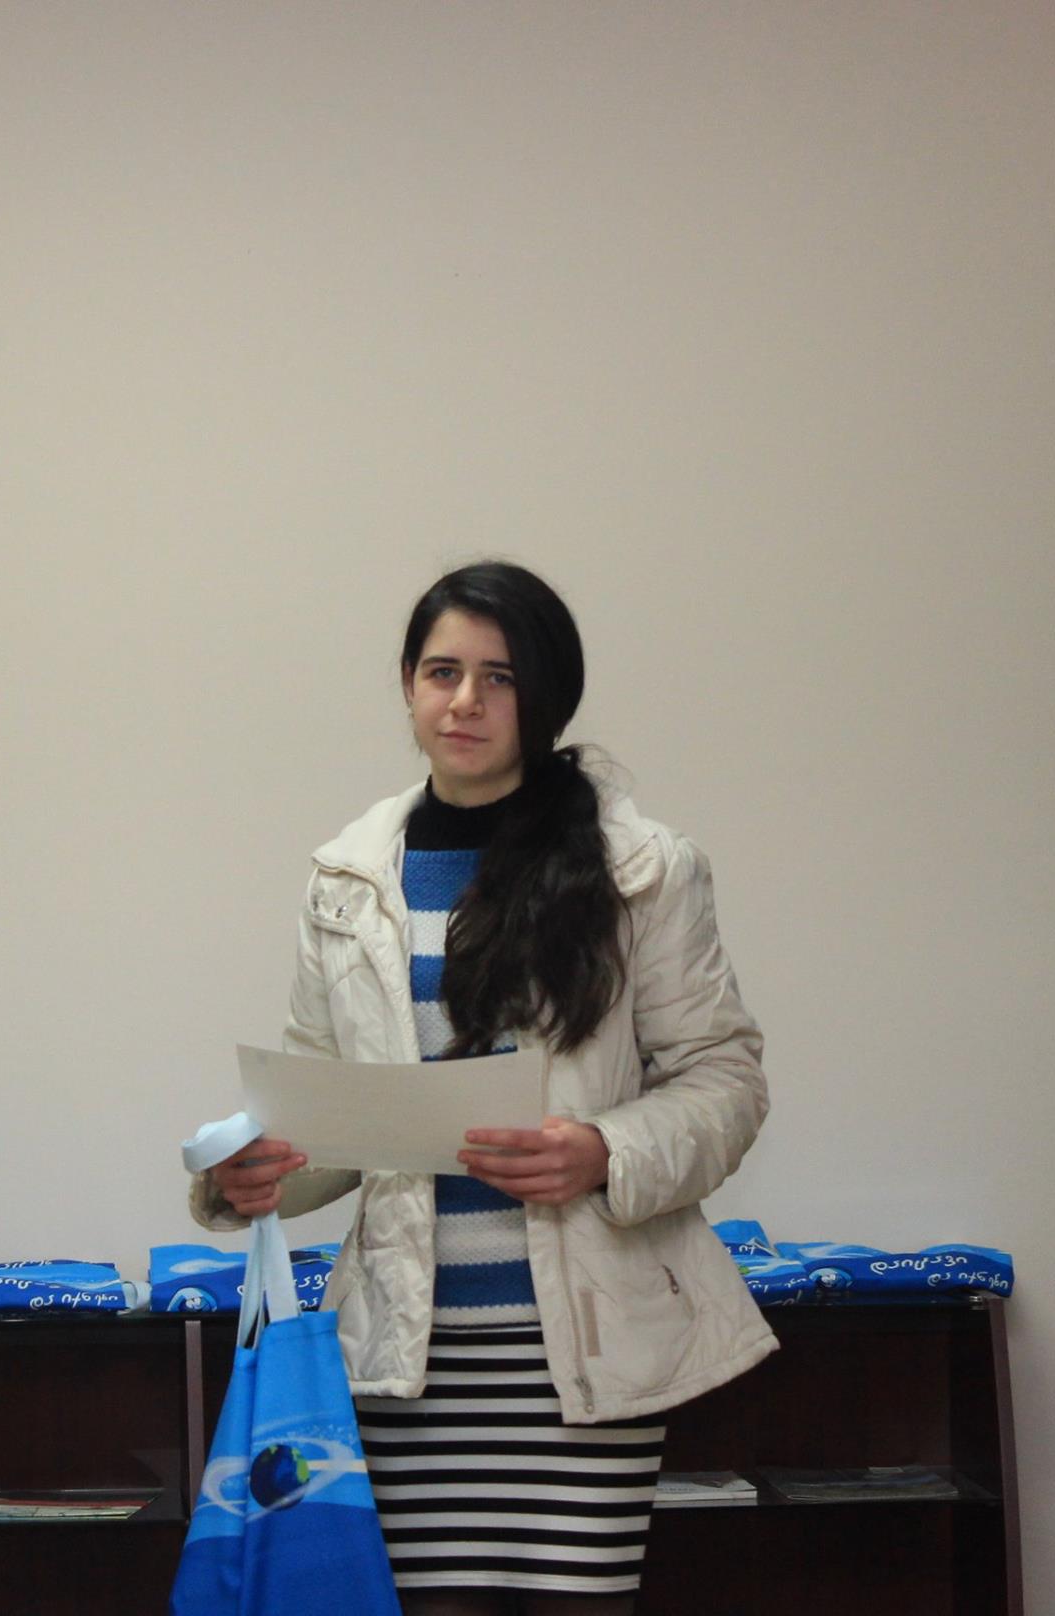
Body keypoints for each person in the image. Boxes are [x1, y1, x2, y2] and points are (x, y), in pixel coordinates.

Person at [193, 563, 772, 1616]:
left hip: (582, 1352)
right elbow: (326, 1108)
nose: (464, 701)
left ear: (545, 697)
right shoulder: (345, 877)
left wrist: (603, 1150)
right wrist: (255, 1168)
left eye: (498, 677)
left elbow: (723, 1080)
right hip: (407, 1352)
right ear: (408, 686)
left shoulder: (641, 868)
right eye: (441, 672)